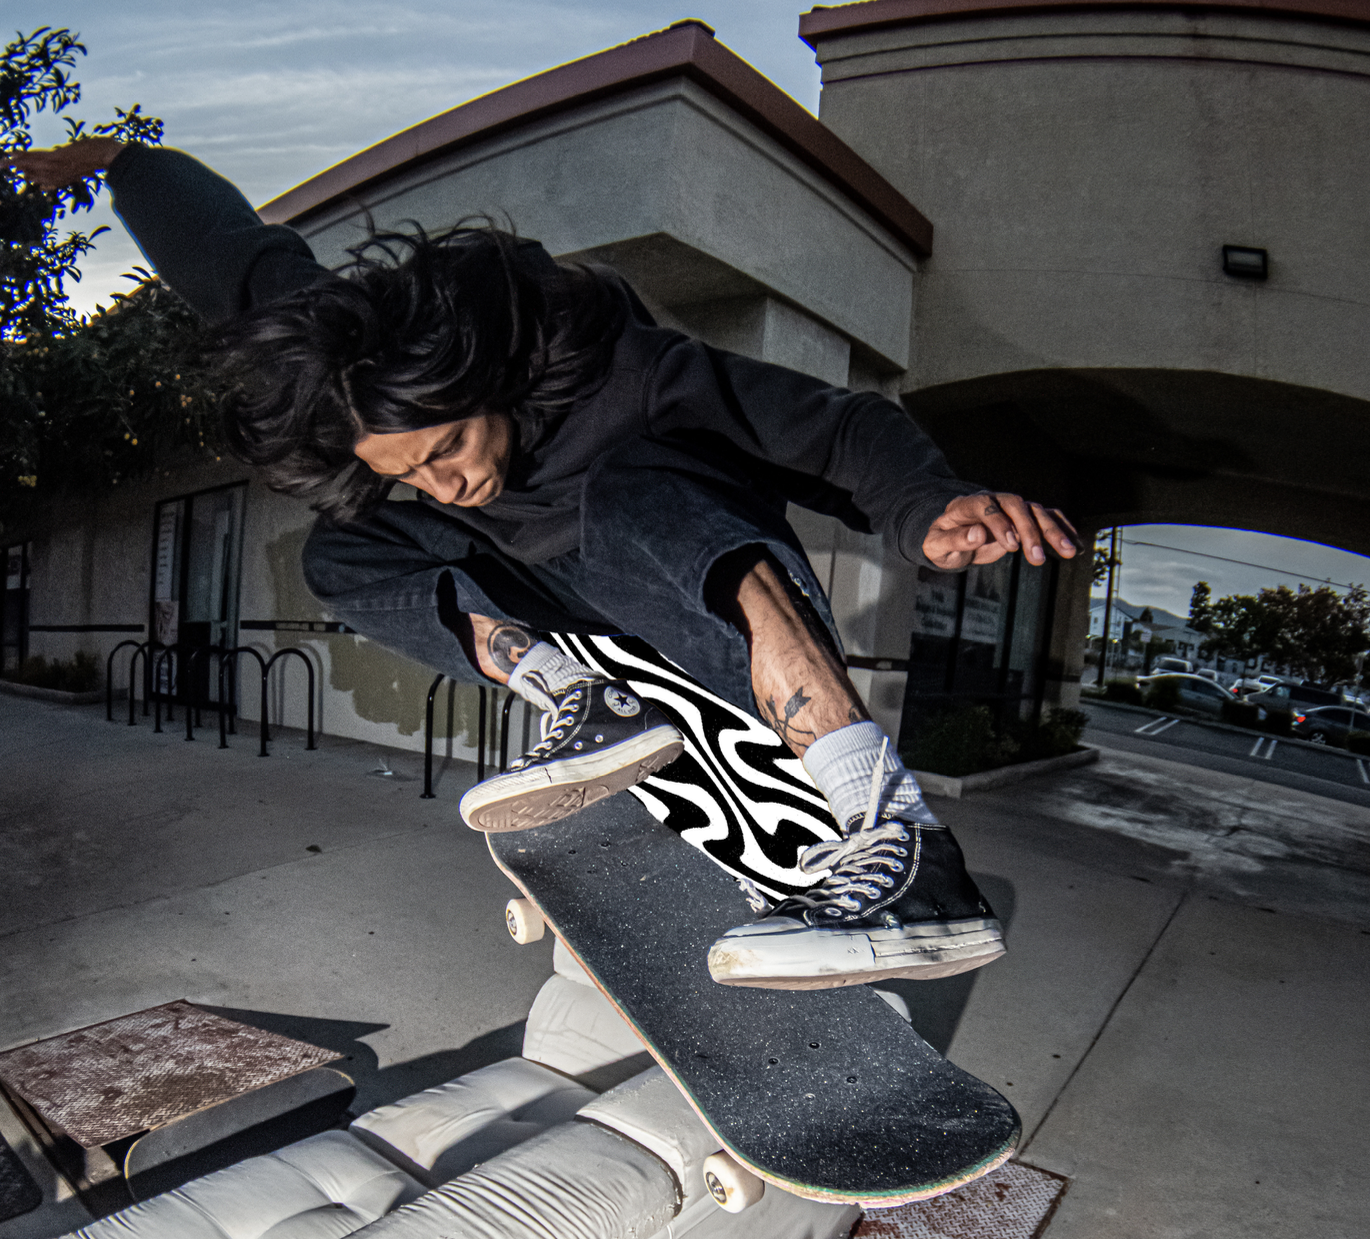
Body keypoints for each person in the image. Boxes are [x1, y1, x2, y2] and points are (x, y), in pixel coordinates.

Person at [8, 136, 1077, 989]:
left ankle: (904, 846)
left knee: (636, 487)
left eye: (447, 451)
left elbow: (829, 426)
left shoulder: (630, 371)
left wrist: (923, 506)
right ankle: (575, 693)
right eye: (408, 473)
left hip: (703, 591)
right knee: (343, 545)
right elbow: (236, 259)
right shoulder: (362, 380)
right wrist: (122, 164)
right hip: (571, 613)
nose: (444, 487)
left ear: (479, 380)